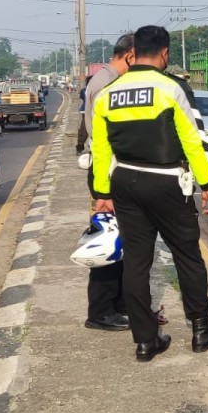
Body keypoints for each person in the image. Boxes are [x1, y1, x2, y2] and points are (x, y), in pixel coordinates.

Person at [90, 26, 208, 362]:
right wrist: (207, 185)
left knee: (136, 261)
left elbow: (101, 149)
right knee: (187, 255)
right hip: (167, 182)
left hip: (124, 182)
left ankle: (146, 341)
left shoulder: (109, 93)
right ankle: (201, 331)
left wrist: (101, 192)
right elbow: (192, 141)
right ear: (164, 54)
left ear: (133, 54)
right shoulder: (170, 88)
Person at [76, 34, 134, 332]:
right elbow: (102, 139)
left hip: (107, 170)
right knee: (108, 242)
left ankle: (118, 305)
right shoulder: (107, 84)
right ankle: (100, 311)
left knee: (119, 242)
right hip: (105, 172)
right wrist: (105, 189)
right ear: (129, 56)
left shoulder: (105, 79)